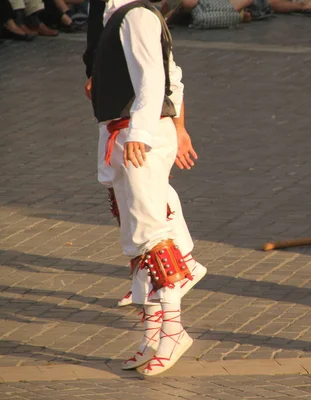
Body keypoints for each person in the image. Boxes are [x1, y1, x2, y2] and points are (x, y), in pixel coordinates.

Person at [90, 0, 205, 376]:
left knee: (153, 235)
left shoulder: (136, 14)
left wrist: (140, 132)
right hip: (124, 132)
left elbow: (156, 78)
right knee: (137, 237)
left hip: (139, 133)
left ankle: (173, 331)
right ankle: (153, 334)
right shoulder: (117, 14)